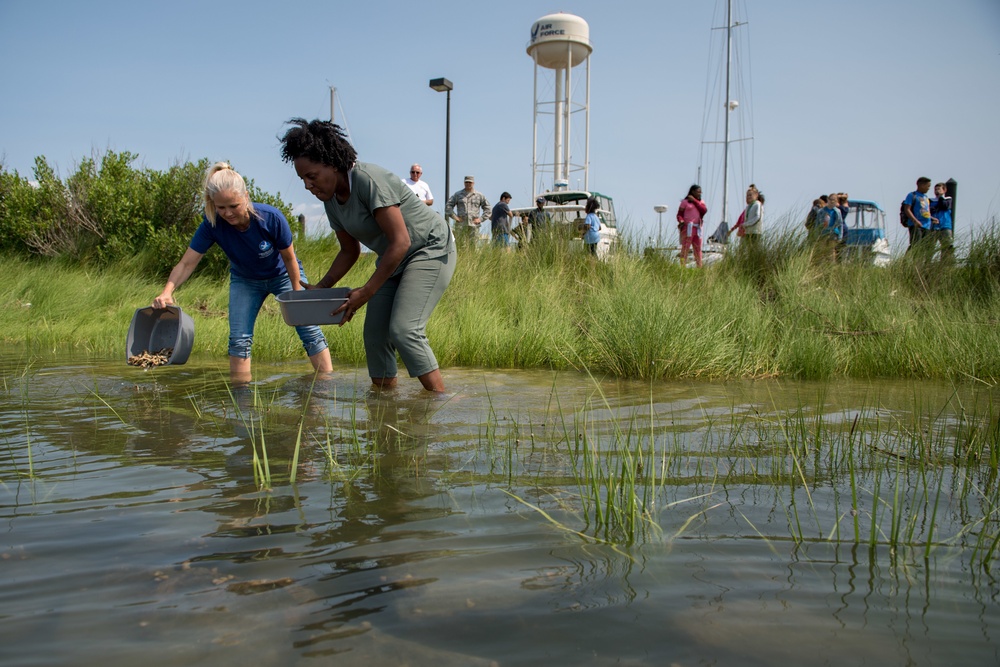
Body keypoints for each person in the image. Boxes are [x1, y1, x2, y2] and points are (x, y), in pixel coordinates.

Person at [279, 118, 456, 393]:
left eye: (311, 175)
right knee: (375, 336)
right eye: (302, 178)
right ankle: (385, 412)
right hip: (394, 260)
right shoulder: (331, 201)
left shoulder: (367, 179)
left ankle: (442, 404)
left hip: (429, 249)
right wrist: (322, 288)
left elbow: (401, 241)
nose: (307, 185)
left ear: (332, 163)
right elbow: (350, 250)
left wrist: (367, 291)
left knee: (404, 330)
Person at [153, 162, 333, 380]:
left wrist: (296, 294)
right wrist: (167, 291)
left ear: (246, 197)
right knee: (239, 339)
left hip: (282, 275)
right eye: (221, 208)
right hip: (245, 280)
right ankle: (242, 398)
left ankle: (325, 386)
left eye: (234, 206)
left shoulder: (271, 218)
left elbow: (289, 258)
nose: (227, 213)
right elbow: (186, 264)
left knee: (308, 329)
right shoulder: (212, 224)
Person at [445, 175, 490, 244]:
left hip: (474, 225)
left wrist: (480, 219)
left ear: (473, 183)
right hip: (461, 225)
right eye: (466, 182)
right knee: (460, 245)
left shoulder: (479, 195)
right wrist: (455, 217)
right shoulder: (458, 195)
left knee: (473, 245)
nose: (468, 184)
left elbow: (488, 209)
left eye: (470, 182)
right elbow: (448, 206)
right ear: (464, 183)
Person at [676, 184, 708, 267]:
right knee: (685, 248)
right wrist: (681, 221)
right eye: (697, 192)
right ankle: (682, 266)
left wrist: (694, 201)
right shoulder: (685, 202)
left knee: (698, 249)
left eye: (700, 192)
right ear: (692, 192)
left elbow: (704, 210)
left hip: (697, 228)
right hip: (688, 228)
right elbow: (679, 214)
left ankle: (699, 266)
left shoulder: (701, 202)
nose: (699, 194)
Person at [903, 177, 935, 254]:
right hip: (916, 225)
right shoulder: (912, 195)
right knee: (915, 244)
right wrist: (915, 221)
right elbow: (907, 209)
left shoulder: (926, 197)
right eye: (928, 186)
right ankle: (906, 262)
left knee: (924, 246)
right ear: (921, 185)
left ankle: (918, 263)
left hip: (926, 225)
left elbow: (925, 211)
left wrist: (932, 218)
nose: (929, 188)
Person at [931, 182, 954, 262]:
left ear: (944, 190)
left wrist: (941, 197)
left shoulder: (948, 199)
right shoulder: (931, 200)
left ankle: (945, 262)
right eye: (935, 189)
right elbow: (929, 210)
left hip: (945, 225)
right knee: (931, 246)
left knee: (947, 245)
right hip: (934, 227)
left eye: (939, 189)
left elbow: (944, 206)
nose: (937, 191)